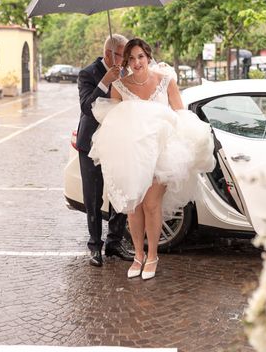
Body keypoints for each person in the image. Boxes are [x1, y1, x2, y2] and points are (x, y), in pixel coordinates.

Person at [89, 38, 215, 280]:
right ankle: (138, 255)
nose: (137, 63)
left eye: (141, 57)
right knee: (134, 207)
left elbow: (180, 113)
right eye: (131, 58)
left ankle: (153, 255)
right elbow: (112, 121)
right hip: (133, 155)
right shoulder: (120, 85)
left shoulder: (165, 81)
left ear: (148, 57)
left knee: (151, 204)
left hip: (161, 154)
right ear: (126, 61)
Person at [76, 34, 134, 267]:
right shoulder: (87, 74)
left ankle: (115, 241)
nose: (126, 60)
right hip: (91, 145)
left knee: (119, 192)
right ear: (110, 54)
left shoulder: (126, 73)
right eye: (123, 55)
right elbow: (86, 106)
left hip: (118, 143)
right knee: (93, 196)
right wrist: (105, 82)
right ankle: (94, 246)